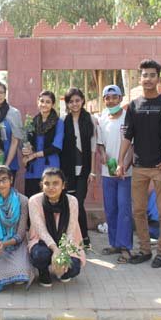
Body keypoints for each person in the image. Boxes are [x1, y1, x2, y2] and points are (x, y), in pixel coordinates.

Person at [116, 59, 161, 267]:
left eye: (152, 75)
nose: (148, 79)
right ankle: (144, 249)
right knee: (138, 211)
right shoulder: (134, 106)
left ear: (158, 78)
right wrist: (122, 162)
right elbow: (127, 137)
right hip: (139, 167)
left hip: (160, 167)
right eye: (144, 75)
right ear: (139, 78)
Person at [29, 168, 86, 287]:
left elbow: (70, 230)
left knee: (74, 267)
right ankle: (43, 271)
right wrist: (55, 250)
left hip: (67, 242)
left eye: (56, 183)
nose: (51, 187)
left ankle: (62, 271)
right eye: (47, 183)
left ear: (63, 185)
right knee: (40, 256)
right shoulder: (34, 201)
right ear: (41, 185)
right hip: (42, 241)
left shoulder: (72, 201)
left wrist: (63, 252)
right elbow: (41, 230)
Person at [97, 85, 133, 263]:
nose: (110, 100)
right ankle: (114, 244)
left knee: (124, 209)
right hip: (107, 172)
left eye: (114, 97)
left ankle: (126, 247)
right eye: (107, 97)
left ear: (120, 98)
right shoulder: (102, 118)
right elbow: (100, 143)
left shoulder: (128, 117)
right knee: (110, 208)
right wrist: (102, 154)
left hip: (126, 173)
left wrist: (125, 164)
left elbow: (133, 145)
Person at [0, 165, 33, 293]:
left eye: (4, 179)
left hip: (17, 244)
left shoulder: (23, 200)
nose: (1, 184)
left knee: (20, 275)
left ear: (11, 180)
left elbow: (21, 233)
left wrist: (4, 244)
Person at [60, 88, 98, 249]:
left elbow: (93, 147)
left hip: (84, 170)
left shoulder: (90, 119)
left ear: (82, 100)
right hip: (67, 170)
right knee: (68, 204)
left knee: (79, 203)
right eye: (71, 101)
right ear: (67, 104)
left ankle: (84, 237)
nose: (74, 104)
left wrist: (93, 170)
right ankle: (69, 238)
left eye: (77, 100)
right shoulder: (63, 121)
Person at [23, 91, 64, 198]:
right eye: (42, 101)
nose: (44, 104)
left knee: (50, 200)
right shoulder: (32, 122)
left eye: (48, 102)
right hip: (33, 168)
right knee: (31, 199)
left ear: (53, 104)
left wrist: (34, 155)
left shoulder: (58, 123)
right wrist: (26, 151)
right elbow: (27, 142)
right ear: (38, 102)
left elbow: (56, 147)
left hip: (50, 166)